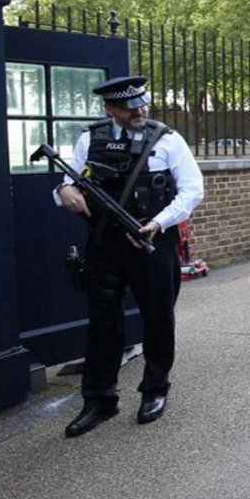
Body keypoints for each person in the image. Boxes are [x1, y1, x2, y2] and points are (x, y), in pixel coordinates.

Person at [54, 75, 204, 437]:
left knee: (157, 318)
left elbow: (193, 189)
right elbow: (69, 183)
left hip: (153, 241)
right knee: (103, 321)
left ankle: (154, 389)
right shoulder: (91, 138)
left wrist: (159, 221)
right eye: (130, 106)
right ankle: (99, 400)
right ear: (110, 109)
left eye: (143, 102)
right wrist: (64, 190)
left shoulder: (167, 140)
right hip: (106, 243)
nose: (140, 109)